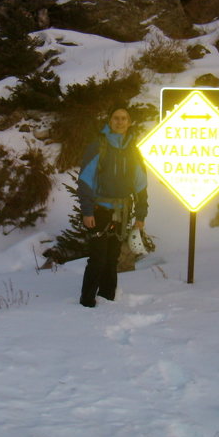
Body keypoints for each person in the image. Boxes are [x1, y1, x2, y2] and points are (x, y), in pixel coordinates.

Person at [76, 106, 148, 307]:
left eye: (124, 118)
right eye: (116, 118)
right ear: (109, 121)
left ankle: (108, 298)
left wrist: (140, 215)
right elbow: (85, 180)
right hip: (100, 211)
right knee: (98, 258)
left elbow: (141, 184)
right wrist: (87, 210)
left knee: (112, 257)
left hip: (123, 212)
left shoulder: (133, 149)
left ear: (129, 122)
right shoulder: (99, 146)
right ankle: (87, 301)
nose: (120, 121)